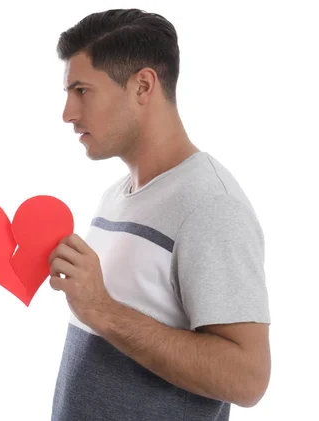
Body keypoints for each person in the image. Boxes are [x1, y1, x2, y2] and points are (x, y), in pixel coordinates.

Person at [47, 9, 271, 421]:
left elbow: (249, 378)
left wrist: (102, 308)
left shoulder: (210, 205)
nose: (68, 112)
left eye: (81, 91)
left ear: (143, 85)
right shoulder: (114, 197)